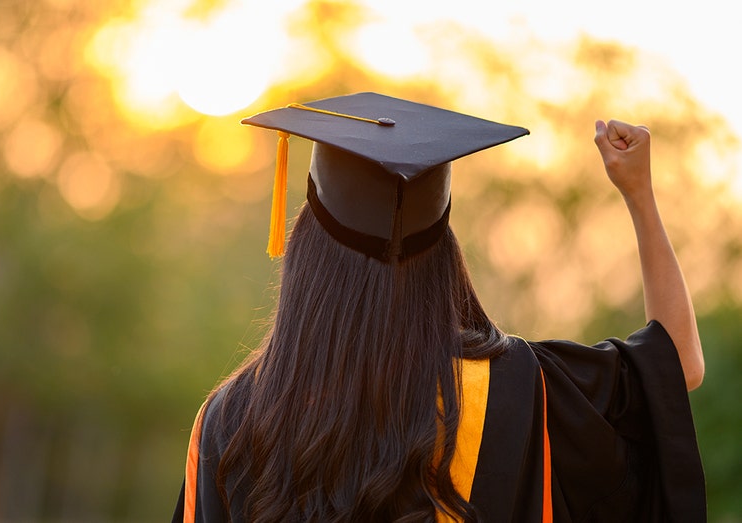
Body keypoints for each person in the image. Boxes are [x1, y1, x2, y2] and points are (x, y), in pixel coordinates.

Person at [172, 92, 706, 522]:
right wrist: (640, 195)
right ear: (444, 252)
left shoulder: (232, 422)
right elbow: (675, 365)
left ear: (308, 250)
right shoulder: (518, 389)